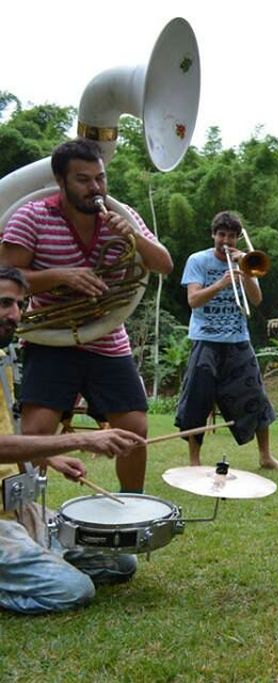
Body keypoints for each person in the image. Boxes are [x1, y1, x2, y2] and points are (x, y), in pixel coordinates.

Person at [0, 138, 173, 493]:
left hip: (107, 336)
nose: (95, 188)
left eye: (100, 178)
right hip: (51, 337)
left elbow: (164, 265)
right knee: (36, 432)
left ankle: (132, 509)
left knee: (135, 428)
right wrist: (61, 275)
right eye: (83, 179)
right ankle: (32, 505)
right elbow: (7, 278)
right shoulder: (31, 216)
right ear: (60, 182)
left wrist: (135, 239)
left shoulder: (121, 214)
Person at [0, 265, 146, 614]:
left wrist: (51, 460)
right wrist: (76, 442)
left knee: (121, 563)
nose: (15, 315)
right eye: (5, 303)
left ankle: (33, 555)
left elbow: (7, 436)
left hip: (16, 508)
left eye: (20, 304)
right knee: (73, 590)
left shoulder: (3, 360)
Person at [175, 211, 278, 471]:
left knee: (257, 397)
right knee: (198, 400)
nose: (226, 241)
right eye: (221, 234)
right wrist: (221, 283)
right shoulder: (198, 261)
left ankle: (265, 457)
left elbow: (256, 300)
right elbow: (193, 300)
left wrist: (244, 270)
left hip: (238, 339)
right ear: (213, 234)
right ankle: (194, 461)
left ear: (238, 238)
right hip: (205, 340)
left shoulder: (243, 261)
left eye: (231, 236)